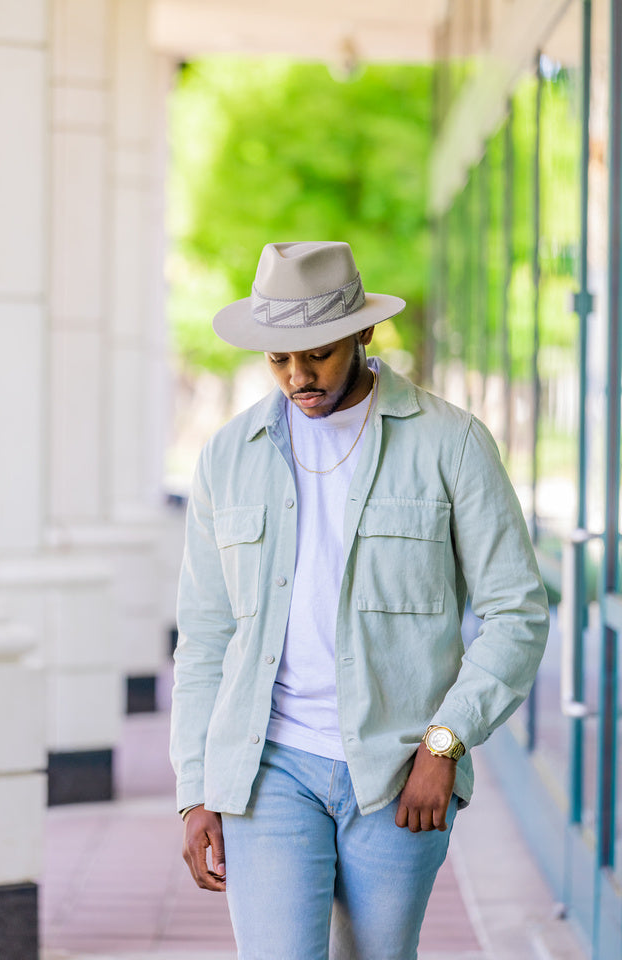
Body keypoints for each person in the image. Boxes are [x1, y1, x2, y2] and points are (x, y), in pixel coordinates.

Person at [170, 240, 549, 960]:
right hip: (266, 765)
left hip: (400, 769)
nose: (297, 376)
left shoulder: (452, 443)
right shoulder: (229, 454)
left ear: (363, 333)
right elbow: (207, 636)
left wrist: (446, 744)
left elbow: (517, 613)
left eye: (316, 353)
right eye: (278, 358)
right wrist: (196, 788)